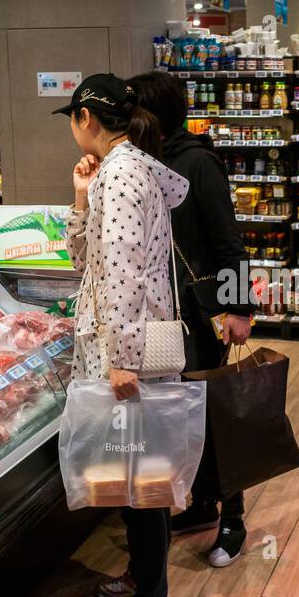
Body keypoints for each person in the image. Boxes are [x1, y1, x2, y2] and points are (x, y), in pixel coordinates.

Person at [58, 74, 190, 597]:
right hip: (120, 350)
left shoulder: (124, 175)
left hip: (124, 358)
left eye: (71, 119)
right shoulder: (120, 172)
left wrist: (123, 359)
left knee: (143, 485)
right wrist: (80, 203)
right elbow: (90, 263)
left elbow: (126, 277)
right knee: (134, 480)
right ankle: (144, 587)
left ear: (87, 116)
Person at [127, 70, 254, 568]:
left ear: (151, 115)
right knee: (177, 417)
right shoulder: (140, 161)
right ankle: (201, 504)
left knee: (215, 418)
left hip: (198, 315)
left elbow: (228, 242)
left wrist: (239, 309)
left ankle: (234, 518)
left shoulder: (199, 163)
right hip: (159, 320)